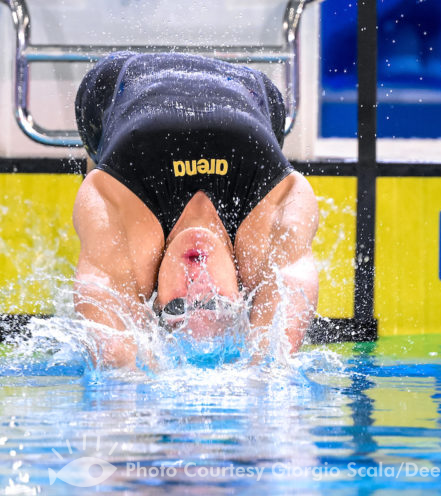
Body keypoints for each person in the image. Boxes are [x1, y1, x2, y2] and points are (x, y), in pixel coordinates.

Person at [72, 52, 319, 368]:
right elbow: (279, 341)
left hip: (117, 83)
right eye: (215, 303)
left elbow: (115, 353)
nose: (195, 287)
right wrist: (264, 369)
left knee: (107, 244)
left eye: (176, 308)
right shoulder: (268, 210)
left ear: (155, 303)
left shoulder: (128, 214)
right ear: (243, 294)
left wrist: (128, 365)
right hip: (254, 93)